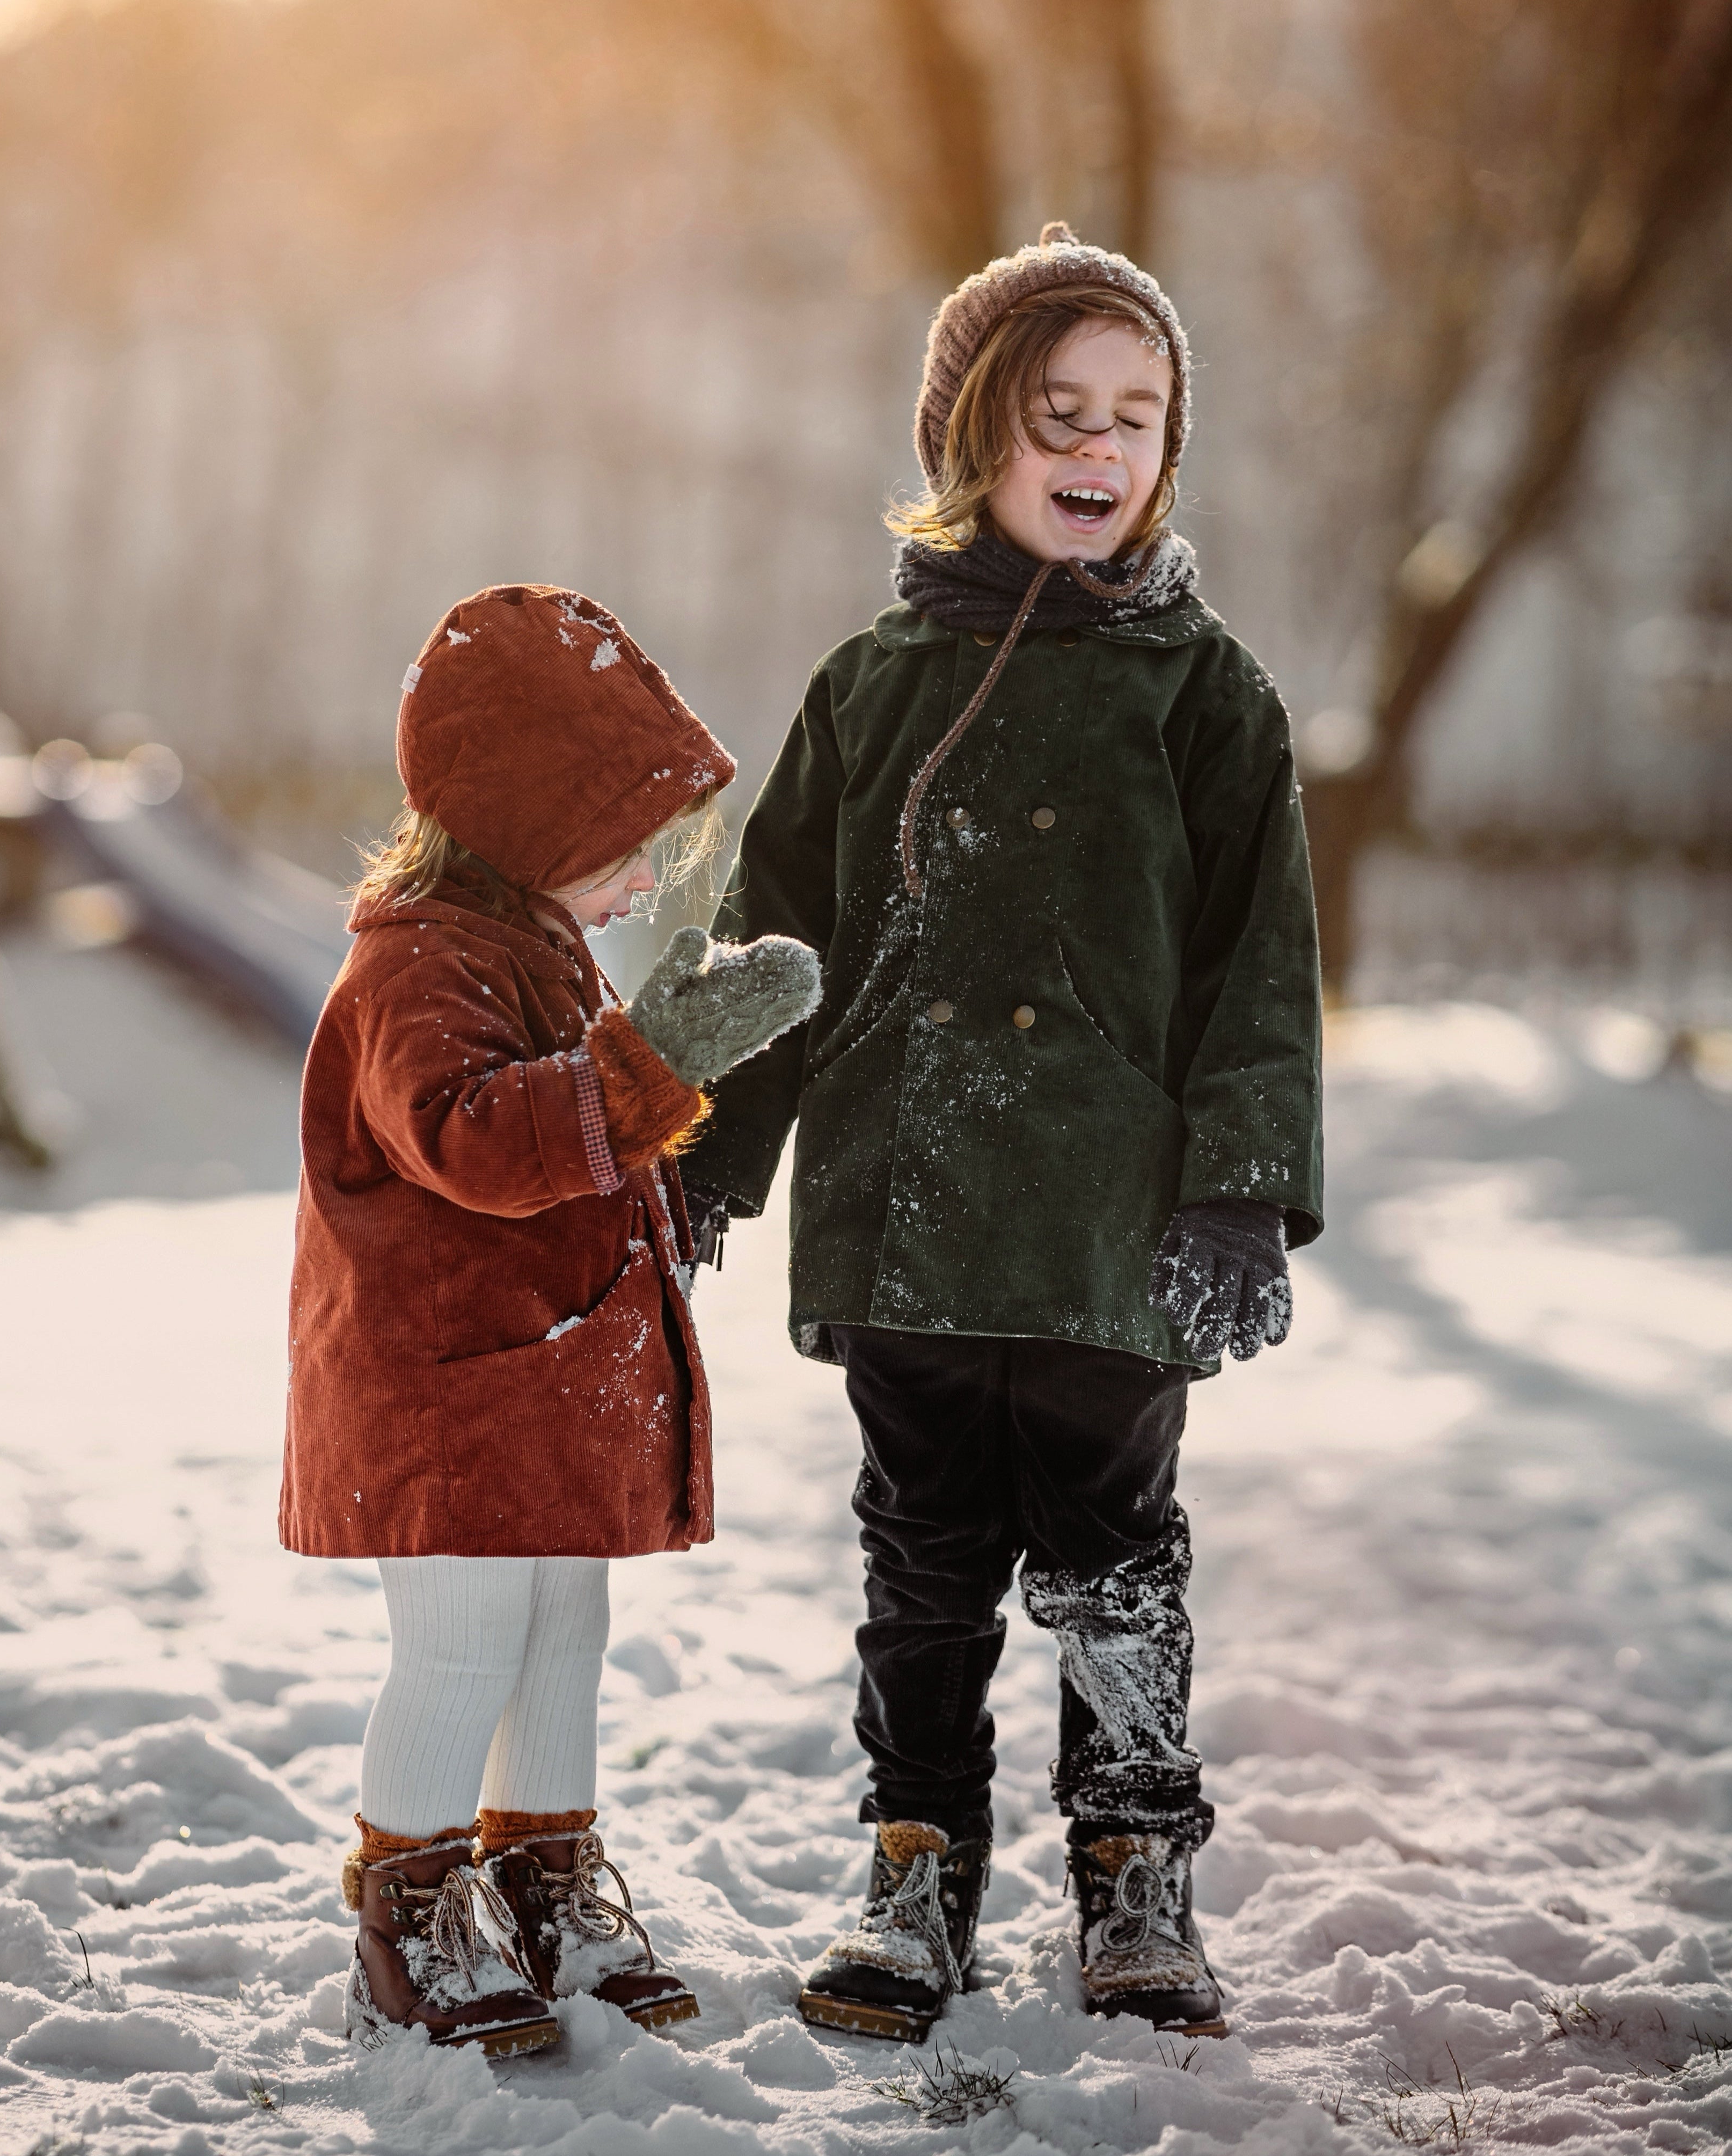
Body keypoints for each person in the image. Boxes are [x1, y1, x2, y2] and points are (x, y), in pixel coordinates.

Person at [683, 225, 1324, 2043]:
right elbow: (773, 946)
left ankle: (1136, 1887)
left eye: (1137, 417)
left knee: (1117, 1559)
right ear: (976, 433)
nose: (1100, 451)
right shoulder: (871, 686)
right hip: (908, 1214)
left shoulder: (1212, 700)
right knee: (924, 1564)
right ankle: (917, 1875)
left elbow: (1257, 968)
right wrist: (716, 1155)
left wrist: (1240, 1196)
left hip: (1115, 1232)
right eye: (1062, 413)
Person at [280, 584, 817, 2058]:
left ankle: (542, 1880)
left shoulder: (524, 943)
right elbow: (481, 1142)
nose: (649, 882)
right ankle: (410, 1915)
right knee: (462, 1645)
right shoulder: (414, 965)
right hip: (445, 1395)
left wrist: (669, 1196)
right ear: (524, 819)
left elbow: (580, 1153)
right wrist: (657, 1062)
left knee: (564, 1632)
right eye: (627, 847)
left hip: (533, 1382)